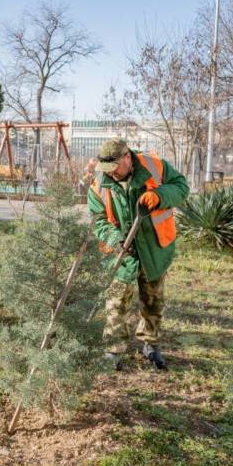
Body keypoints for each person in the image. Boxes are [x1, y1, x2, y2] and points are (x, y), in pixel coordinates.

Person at [87, 138, 189, 370]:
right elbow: (98, 220)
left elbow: (182, 188)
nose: (111, 174)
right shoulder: (99, 184)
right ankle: (114, 349)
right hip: (120, 250)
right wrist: (116, 239)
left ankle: (150, 344)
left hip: (154, 247)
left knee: (153, 298)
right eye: (106, 170)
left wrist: (160, 195)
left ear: (127, 158)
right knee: (116, 300)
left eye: (115, 168)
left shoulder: (154, 166)